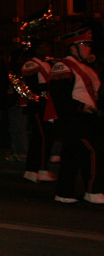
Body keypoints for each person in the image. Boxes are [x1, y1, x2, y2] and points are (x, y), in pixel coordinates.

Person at [49, 27, 102, 204]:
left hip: (88, 117)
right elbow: (60, 96)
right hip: (76, 118)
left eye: (89, 45)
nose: (89, 48)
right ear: (73, 47)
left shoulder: (86, 68)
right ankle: (93, 190)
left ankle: (65, 193)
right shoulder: (62, 65)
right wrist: (81, 107)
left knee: (73, 157)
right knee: (95, 150)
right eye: (84, 44)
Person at [20, 39, 58, 183]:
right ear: (37, 49)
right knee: (42, 136)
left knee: (43, 137)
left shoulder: (48, 64)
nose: (48, 47)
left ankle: (34, 169)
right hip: (37, 105)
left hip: (46, 105)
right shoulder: (31, 64)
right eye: (45, 45)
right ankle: (39, 168)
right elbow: (32, 87)